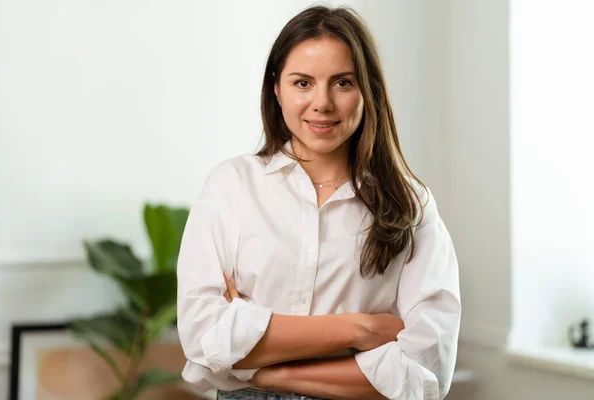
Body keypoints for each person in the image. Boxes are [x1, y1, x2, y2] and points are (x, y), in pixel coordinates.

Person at [177, 5, 461, 400]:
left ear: (367, 89)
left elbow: (426, 369)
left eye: (343, 83)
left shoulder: (410, 205)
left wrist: (264, 370)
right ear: (276, 88)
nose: (322, 103)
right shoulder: (231, 186)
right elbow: (203, 337)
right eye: (303, 83)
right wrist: (360, 329)